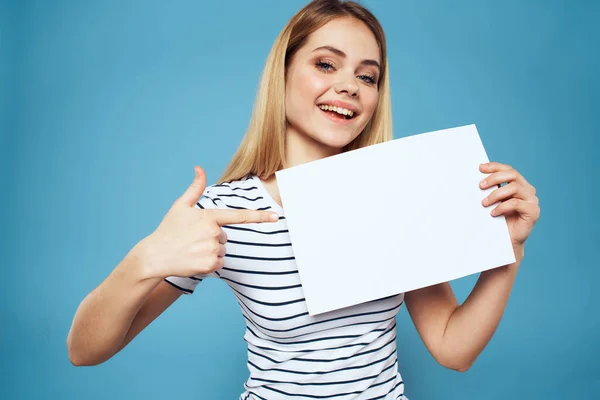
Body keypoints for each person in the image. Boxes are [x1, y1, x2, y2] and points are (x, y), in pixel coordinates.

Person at [66, 0, 541, 398]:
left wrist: (508, 251)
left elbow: (452, 349)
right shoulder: (226, 212)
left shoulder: (396, 190)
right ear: (284, 72)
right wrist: (144, 259)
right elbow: (85, 352)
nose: (349, 86)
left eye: (368, 76)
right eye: (326, 64)